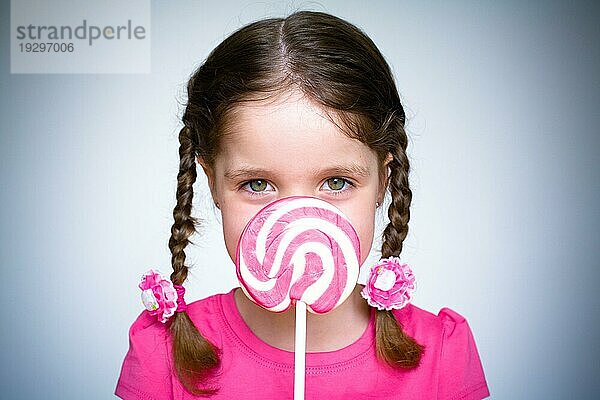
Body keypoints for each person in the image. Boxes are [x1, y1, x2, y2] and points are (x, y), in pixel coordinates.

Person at [115, 11, 490, 400]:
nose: (299, 220)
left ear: (383, 181)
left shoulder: (442, 353)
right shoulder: (164, 353)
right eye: (257, 184)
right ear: (212, 183)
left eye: (337, 182)